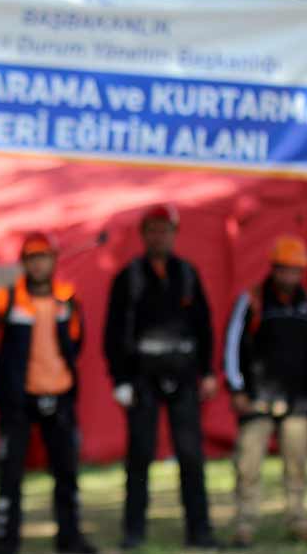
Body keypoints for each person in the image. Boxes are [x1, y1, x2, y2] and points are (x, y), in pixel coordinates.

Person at [103, 204, 218, 550]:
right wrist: (120, 380)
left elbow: (204, 325)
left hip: (183, 376)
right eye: (153, 230)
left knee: (191, 456)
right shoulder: (129, 277)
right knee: (139, 455)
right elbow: (112, 333)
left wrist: (208, 372)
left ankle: (199, 531)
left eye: (165, 230)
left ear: (174, 234)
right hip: (142, 379)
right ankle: (133, 531)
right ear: (143, 235)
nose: (159, 236)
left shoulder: (187, 274)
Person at [0, 232, 97, 554]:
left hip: (59, 395)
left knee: (66, 472)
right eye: (32, 257)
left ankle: (70, 538)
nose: (39, 264)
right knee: (11, 473)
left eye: (44, 256)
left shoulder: (67, 298)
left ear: (55, 260)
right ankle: (6, 540)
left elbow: (77, 343)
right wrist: (4, 384)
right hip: (18, 401)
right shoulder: (5, 299)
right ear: (24, 263)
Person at [224, 234, 307, 546]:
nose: (290, 276)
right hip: (257, 398)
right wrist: (236, 388)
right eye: (285, 269)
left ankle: (298, 519)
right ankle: (245, 524)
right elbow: (232, 346)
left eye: (296, 270)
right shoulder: (254, 299)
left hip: (297, 399)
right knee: (247, 464)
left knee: (297, 463)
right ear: (273, 268)